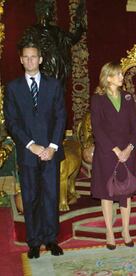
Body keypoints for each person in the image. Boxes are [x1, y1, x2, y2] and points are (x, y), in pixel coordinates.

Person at [4, 43, 66, 259]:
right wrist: (31, 145)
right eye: (26, 57)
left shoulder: (54, 85)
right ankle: (34, 242)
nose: (30, 60)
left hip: (51, 151)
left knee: (51, 196)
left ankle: (51, 239)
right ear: (21, 60)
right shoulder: (12, 88)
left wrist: (52, 146)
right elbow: (11, 122)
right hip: (28, 152)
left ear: (40, 59)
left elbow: (60, 116)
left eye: (34, 57)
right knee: (30, 198)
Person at [90, 62, 136, 250]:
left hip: (128, 153)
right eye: (118, 74)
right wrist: (116, 150)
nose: (121, 77)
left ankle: (125, 230)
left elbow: (135, 126)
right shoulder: (98, 99)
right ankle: (110, 231)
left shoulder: (128, 97)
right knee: (107, 192)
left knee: (126, 192)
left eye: (121, 74)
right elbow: (98, 128)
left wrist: (129, 148)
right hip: (107, 153)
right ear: (108, 77)